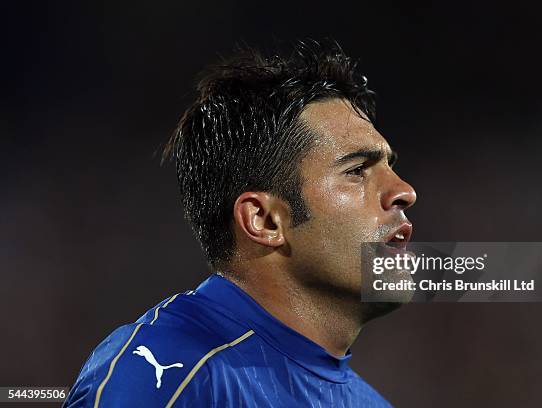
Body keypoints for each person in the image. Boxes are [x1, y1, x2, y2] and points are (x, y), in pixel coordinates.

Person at [64, 39, 416, 407]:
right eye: (357, 170)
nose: (404, 191)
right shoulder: (170, 372)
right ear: (263, 220)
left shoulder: (369, 402)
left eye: (390, 167)